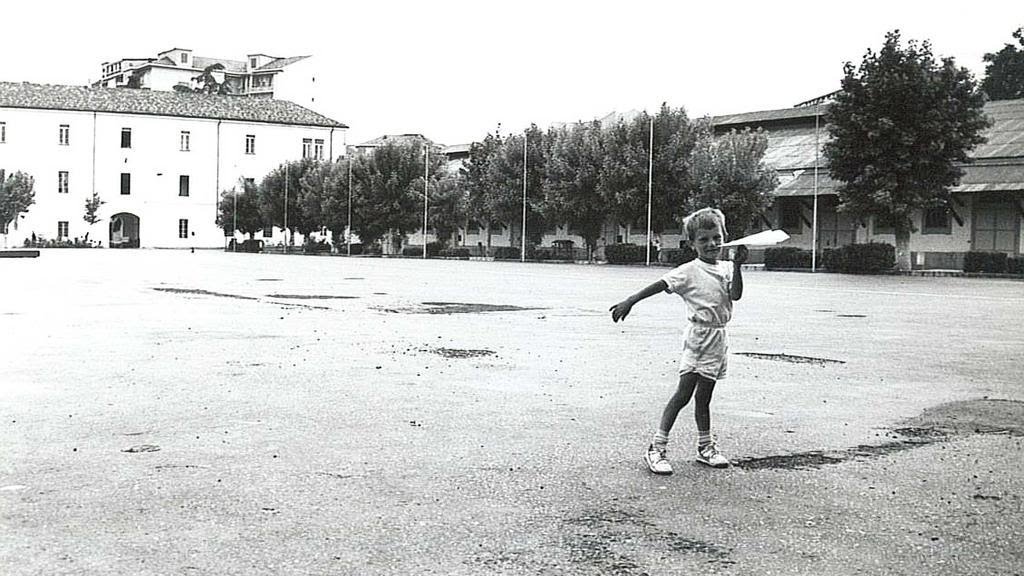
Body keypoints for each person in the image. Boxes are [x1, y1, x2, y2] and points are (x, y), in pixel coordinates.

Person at [610, 208, 748, 474]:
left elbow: (736, 295)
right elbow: (660, 284)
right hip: (699, 338)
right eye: (704, 239)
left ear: (725, 237)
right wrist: (630, 301)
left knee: (704, 397)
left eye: (716, 237)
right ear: (692, 243)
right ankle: (657, 447)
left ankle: (705, 447)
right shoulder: (689, 271)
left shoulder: (728, 267)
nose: (711, 244)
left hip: (719, 338)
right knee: (683, 394)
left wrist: (739, 265)